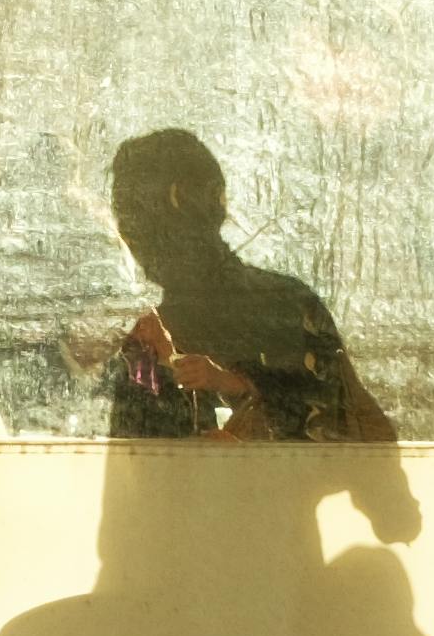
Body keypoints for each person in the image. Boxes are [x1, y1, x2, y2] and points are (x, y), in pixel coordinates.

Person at [86, 130, 388, 448]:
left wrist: (242, 392)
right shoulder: (145, 339)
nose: (132, 240)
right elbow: (133, 471)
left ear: (198, 208)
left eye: (144, 219)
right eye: (126, 222)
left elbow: (364, 438)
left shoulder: (288, 306)